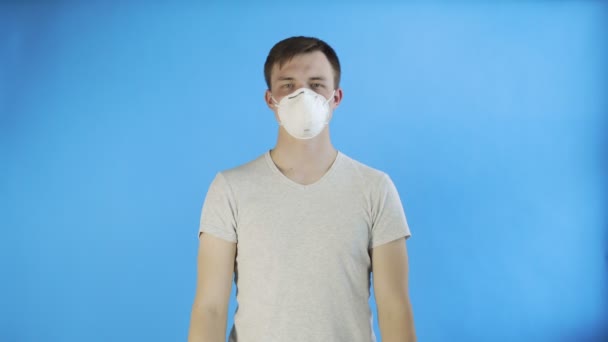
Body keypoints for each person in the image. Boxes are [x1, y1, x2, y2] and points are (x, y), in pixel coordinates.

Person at [188, 36, 416, 342]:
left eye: (316, 84)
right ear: (271, 99)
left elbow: (394, 308)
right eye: (288, 85)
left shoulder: (375, 189)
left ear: (336, 98)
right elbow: (210, 308)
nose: (303, 94)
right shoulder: (230, 189)